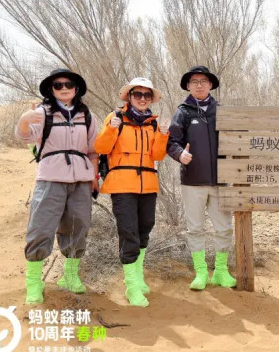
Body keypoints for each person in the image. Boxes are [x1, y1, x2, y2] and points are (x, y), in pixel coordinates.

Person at [16, 68, 99, 304]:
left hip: (81, 179)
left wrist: (94, 176)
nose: (64, 88)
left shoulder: (86, 114)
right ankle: (34, 282)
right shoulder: (42, 112)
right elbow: (25, 136)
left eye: (68, 84)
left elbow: (93, 149)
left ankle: (70, 276)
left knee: (78, 225)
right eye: (58, 85)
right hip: (50, 178)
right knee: (41, 226)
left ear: (76, 88)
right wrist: (24, 121)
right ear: (51, 90)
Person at [94, 78, 170, 307]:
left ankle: (138, 277)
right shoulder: (115, 118)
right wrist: (111, 128)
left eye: (147, 95)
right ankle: (131, 285)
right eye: (138, 94)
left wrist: (163, 135)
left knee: (145, 227)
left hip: (148, 183)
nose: (142, 99)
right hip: (121, 184)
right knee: (128, 232)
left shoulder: (153, 124)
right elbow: (101, 148)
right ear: (129, 96)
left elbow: (157, 156)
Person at [167, 66, 236, 290]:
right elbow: (172, 142)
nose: (199, 85)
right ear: (188, 86)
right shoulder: (183, 112)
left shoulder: (221, 111)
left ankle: (221, 271)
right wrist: (180, 154)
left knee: (224, 228)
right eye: (194, 81)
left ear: (210, 85)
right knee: (195, 228)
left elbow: (236, 139)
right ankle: (201, 273)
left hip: (220, 181)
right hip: (193, 182)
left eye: (203, 81)